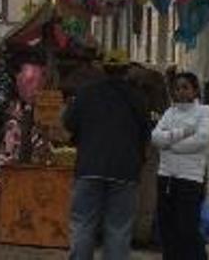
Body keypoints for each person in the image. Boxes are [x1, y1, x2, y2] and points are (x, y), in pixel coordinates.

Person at [62, 57, 150, 260]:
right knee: (118, 227)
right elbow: (147, 133)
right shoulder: (137, 97)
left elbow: (68, 124)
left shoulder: (86, 93)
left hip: (89, 167)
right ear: (126, 70)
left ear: (103, 69)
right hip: (125, 171)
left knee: (83, 223)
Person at [152, 71, 209, 260]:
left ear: (195, 90)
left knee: (187, 229)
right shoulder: (169, 112)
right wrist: (182, 133)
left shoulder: (205, 112)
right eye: (177, 88)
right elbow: (155, 138)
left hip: (190, 179)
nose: (180, 92)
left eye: (185, 87)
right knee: (167, 228)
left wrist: (170, 145)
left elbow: (201, 140)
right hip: (165, 177)